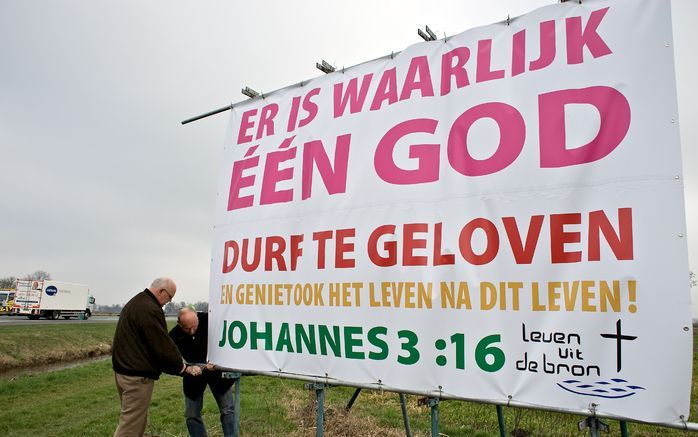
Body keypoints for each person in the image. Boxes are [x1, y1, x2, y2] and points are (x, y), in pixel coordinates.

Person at [112, 277, 202, 437]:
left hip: (122, 371)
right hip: (137, 376)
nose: (169, 302)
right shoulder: (150, 309)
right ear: (161, 291)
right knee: (130, 427)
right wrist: (183, 368)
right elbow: (162, 345)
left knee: (138, 421)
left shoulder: (136, 302)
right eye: (170, 297)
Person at [169, 307, 236, 437]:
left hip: (217, 372)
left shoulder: (210, 319)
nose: (192, 331)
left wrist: (218, 360)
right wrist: (186, 368)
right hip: (192, 375)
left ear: (198, 317)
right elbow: (169, 360)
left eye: (195, 326)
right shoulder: (174, 335)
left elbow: (228, 339)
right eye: (187, 328)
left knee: (228, 410)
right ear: (179, 323)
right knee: (191, 415)